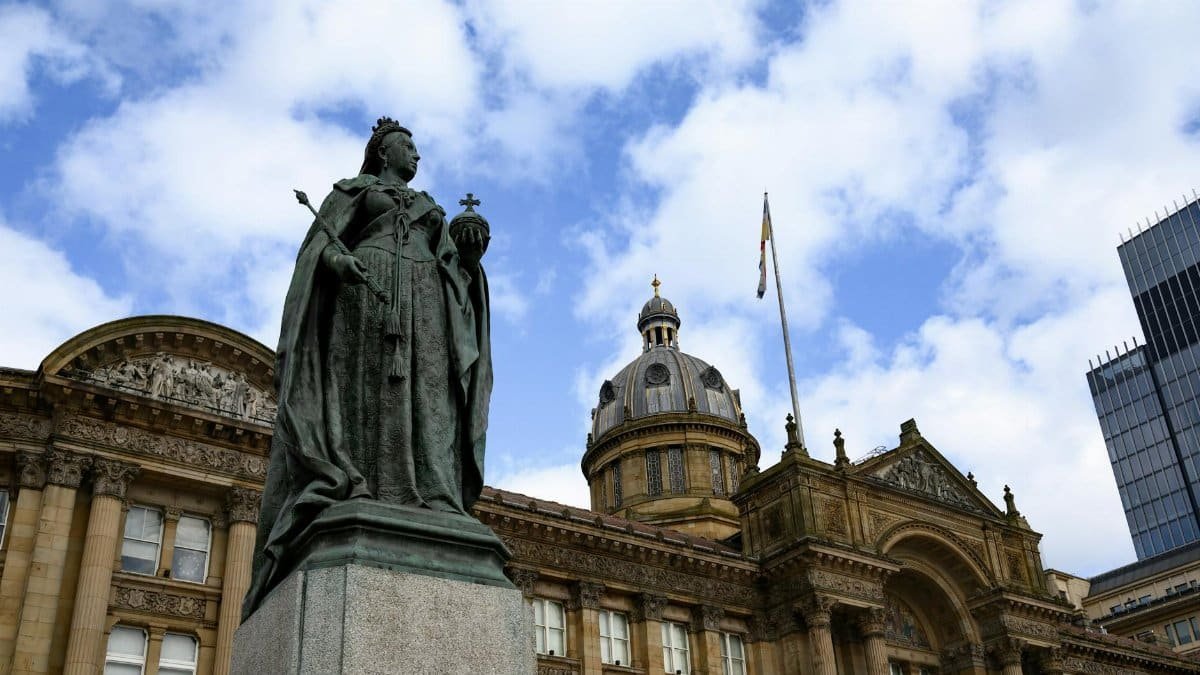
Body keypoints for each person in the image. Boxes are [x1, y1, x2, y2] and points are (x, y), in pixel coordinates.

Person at [243, 118, 492, 619]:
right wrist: (337, 263)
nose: (416, 156)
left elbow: (459, 274)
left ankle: (434, 491)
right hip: (366, 295)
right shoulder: (353, 191)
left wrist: (470, 252)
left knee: (429, 394)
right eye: (408, 146)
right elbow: (317, 249)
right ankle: (357, 480)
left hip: (426, 305)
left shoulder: (430, 209)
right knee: (366, 392)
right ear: (384, 152)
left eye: (418, 149)